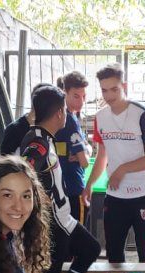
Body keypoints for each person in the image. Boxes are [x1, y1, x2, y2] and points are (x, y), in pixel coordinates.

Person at [20, 85, 100, 273]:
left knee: (91, 248)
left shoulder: (44, 138)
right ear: (58, 113)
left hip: (63, 218)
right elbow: (24, 170)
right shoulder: (38, 143)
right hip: (54, 222)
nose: (66, 114)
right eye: (64, 109)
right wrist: (39, 200)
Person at [84, 63, 145, 263]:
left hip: (143, 193)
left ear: (124, 86)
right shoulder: (100, 117)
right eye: (104, 90)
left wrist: (122, 169)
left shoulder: (141, 114)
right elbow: (102, 155)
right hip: (115, 196)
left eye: (114, 89)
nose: (109, 95)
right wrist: (89, 185)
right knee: (113, 253)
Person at [55, 71, 92, 226]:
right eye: (76, 96)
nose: (81, 102)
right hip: (74, 188)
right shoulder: (70, 121)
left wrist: (86, 149)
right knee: (78, 234)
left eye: (84, 96)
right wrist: (87, 152)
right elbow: (85, 162)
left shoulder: (61, 116)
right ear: (65, 93)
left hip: (60, 189)